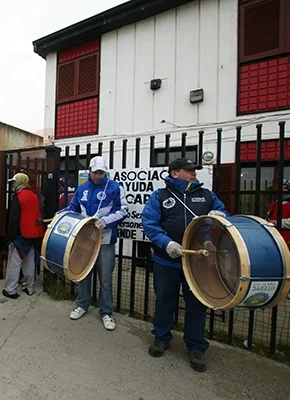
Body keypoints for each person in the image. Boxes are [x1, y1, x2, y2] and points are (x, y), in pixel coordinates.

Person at [141, 158, 229, 373]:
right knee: (164, 301)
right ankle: (161, 338)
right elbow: (149, 224)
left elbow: (224, 216)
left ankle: (196, 346)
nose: (193, 173)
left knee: (197, 305)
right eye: (188, 170)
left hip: (198, 263)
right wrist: (167, 243)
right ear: (174, 173)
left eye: (194, 170)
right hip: (166, 260)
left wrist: (221, 217)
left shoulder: (207, 195)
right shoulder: (159, 196)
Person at [62, 156, 128, 331]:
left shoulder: (114, 187)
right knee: (83, 273)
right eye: (95, 172)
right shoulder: (82, 188)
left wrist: (105, 221)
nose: (98, 176)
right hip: (84, 240)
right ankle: (82, 305)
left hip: (105, 240)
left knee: (105, 277)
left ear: (104, 171)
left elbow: (123, 210)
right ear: (89, 171)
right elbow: (73, 208)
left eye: (101, 172)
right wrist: (60, 214)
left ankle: (106, 312)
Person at [3, 173, 45, 298]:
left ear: (20, 182)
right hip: (34, 233)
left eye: (14, 182)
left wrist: (10, 237)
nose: (13, 185)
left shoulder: (18, 197)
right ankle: (29, 287)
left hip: (21, 234)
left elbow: (14, 220)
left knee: (14, 262)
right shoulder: (33, 195)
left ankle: (10, 289)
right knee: (29, 261)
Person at [267, 179, 290, 301]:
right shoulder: (274, 204)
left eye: (285, 189)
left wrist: (278, 223)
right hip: (276, 238)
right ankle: (277, 288)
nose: (282, 192)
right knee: (276, 264)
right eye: (280, 189)